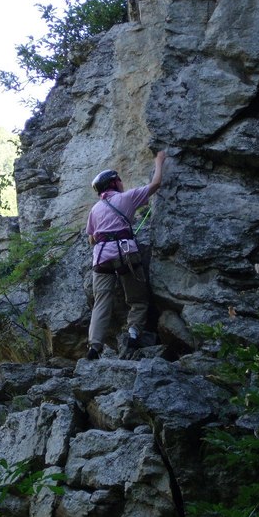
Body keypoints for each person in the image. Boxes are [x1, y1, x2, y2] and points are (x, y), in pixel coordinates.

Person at [85, 150, 166, 360]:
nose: (122, 182)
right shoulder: (126, 198)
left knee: (101, 302)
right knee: (138, 299)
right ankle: (133, 333)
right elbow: (155, 185)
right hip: (125, 254)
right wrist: (159, 161)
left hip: (101, 259)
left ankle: (94, 347)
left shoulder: (95, 209)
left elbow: (91, 239)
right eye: (119, 179)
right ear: (113, 183)